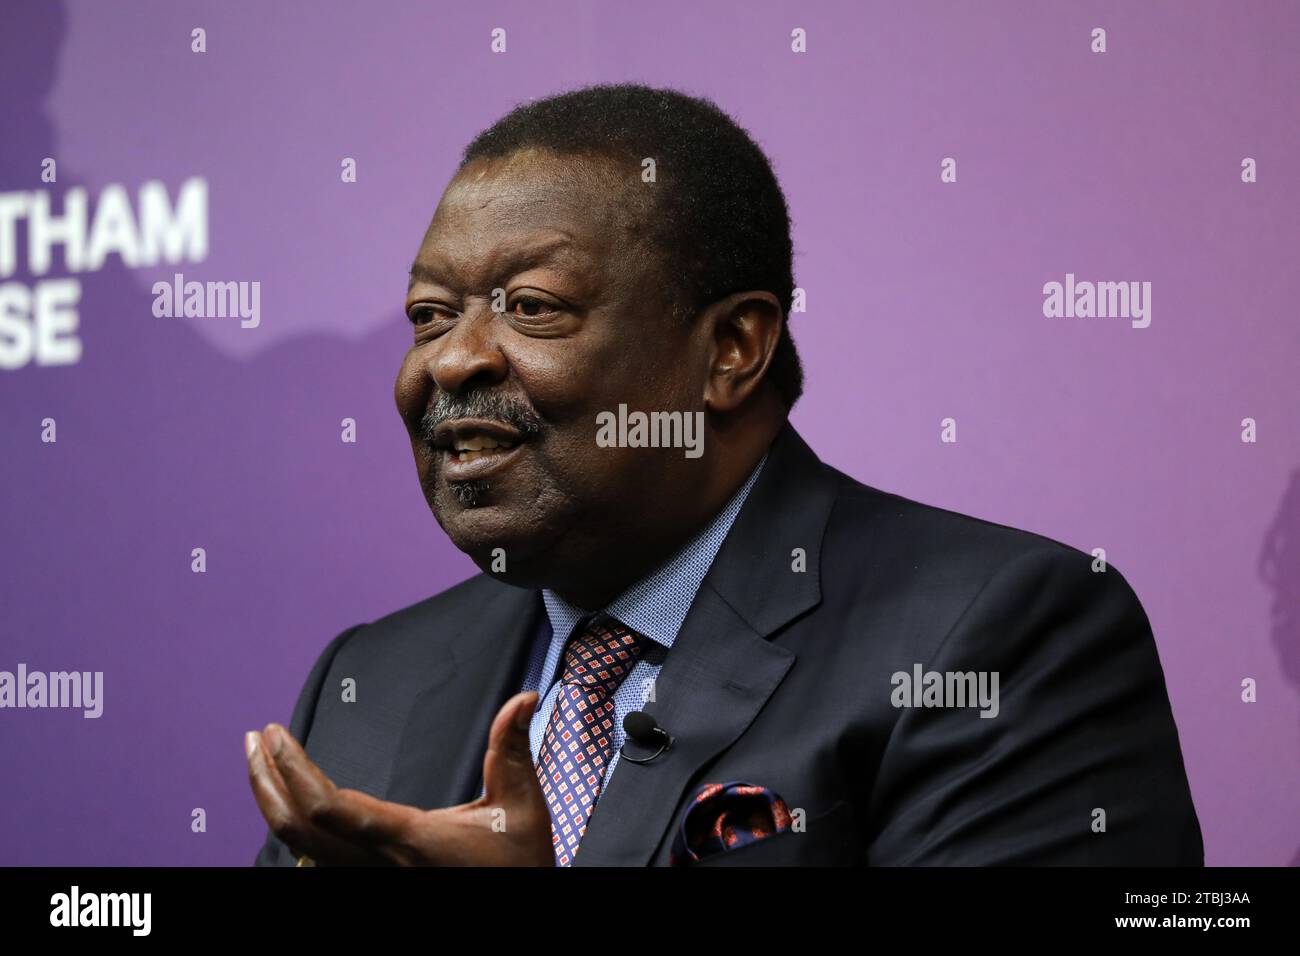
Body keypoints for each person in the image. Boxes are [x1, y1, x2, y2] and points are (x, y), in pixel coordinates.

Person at [248, 83, 1203, 866]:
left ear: (732, 349)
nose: (451, 362)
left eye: (531, 307)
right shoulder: (370, 678)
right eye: (428, 315)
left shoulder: (999, 639)